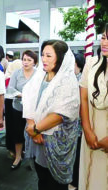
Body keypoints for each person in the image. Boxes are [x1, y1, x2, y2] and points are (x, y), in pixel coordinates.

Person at [23, 40, 80, 190]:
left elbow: (61, 113)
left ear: (60, 58)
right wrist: (32, 127)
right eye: (42, 55)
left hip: (56, 141)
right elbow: (28, 98)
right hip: (37, 136)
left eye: (48, 55)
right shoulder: (40, 76)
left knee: (54, 184)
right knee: (42, 179)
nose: (43, 59)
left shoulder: (67, 80)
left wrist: (35, 129)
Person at [79, 23, 108, 190]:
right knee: (90, 178)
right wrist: (87, 130)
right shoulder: (91, 63)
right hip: (91, 133)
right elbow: (83, 98)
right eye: (103, 37)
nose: (104, 42)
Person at [7, 50, 37, 170]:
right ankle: (18, 157)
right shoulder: (16, 73)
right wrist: (22, 95)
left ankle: (32, 159)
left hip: (33, 110)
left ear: (34, 62)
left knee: (33, 132)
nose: (26, 62)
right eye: (24, 59)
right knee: (18, 133)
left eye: (29, 60)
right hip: (18, 107)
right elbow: (10, 88)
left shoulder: (38, 74)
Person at [70, 52, 85, 189]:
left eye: (73, 64)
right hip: (71, 127)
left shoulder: (81, 80)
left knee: (77, 156)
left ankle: (75, 181)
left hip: (79, 126)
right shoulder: (69, 78)